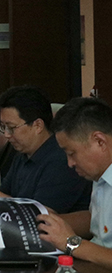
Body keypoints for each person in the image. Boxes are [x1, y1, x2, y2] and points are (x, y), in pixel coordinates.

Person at [0, 86, 91, 213]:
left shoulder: (62, 160)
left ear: (38, 125)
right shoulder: (22, 154)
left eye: (11, 127)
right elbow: (4, 196)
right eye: (3, 127)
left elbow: (40, 215)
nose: (6, 134)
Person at [38, 97, 112, 269]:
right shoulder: (100, 175)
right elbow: (99, 226)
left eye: (72, 153)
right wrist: (49, 223)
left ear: (100, 141)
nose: (70, 163)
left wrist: (72, 243)